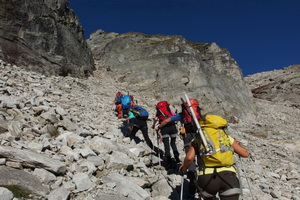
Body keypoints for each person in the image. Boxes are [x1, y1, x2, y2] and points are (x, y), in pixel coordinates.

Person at [179, 115, 250, 200]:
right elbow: (245, 154)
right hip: (229, 177)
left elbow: (189, 158)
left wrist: (183, 169)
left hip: (206, 177)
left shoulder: (199, 138)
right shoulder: (225, 136)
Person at [155, 98, 201, 199]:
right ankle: (203, 185)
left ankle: (192, 188)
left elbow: (168, 120)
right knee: (202, 160)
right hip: (200, 136)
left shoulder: (182, 115)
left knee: (190, 160)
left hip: (188, 138)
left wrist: (158, 127)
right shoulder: (199, 116)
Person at [152, 101, 180, 169]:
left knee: (166, 145)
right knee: (173, 143)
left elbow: (156, 119)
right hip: (173, 127)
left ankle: (169, 161)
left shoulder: (159, 112)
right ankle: (177, 158)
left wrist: (154, 126)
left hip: (164, 129)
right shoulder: (169, 110)